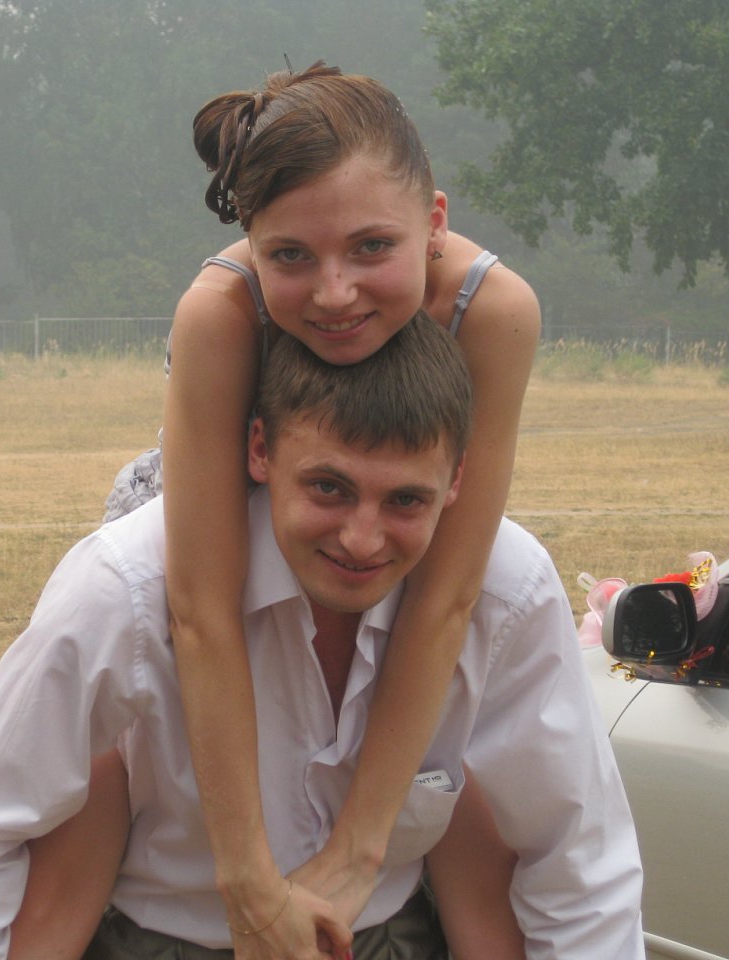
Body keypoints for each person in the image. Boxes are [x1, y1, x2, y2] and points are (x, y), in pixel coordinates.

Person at [0, 318, 645, 960]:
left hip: (388, 935)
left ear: (457, 481)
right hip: (162, 939)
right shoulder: (127, 584)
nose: (362, 539)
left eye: (405, 500)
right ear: (260, 450)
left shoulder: (506, 591)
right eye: (329, 488)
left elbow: (577, 860)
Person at [104, 61, 542, 959]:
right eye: (291, 257)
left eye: (371, 248)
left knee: (459, 782)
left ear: (435, 223)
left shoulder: (493, 310)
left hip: (370, 520)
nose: (334, 293)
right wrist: (247, 883)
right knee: (113, 775)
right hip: (221, 523)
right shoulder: (219, 313)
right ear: (251, 244)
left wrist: (356, 853)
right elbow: (201, 610)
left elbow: (448, 596)